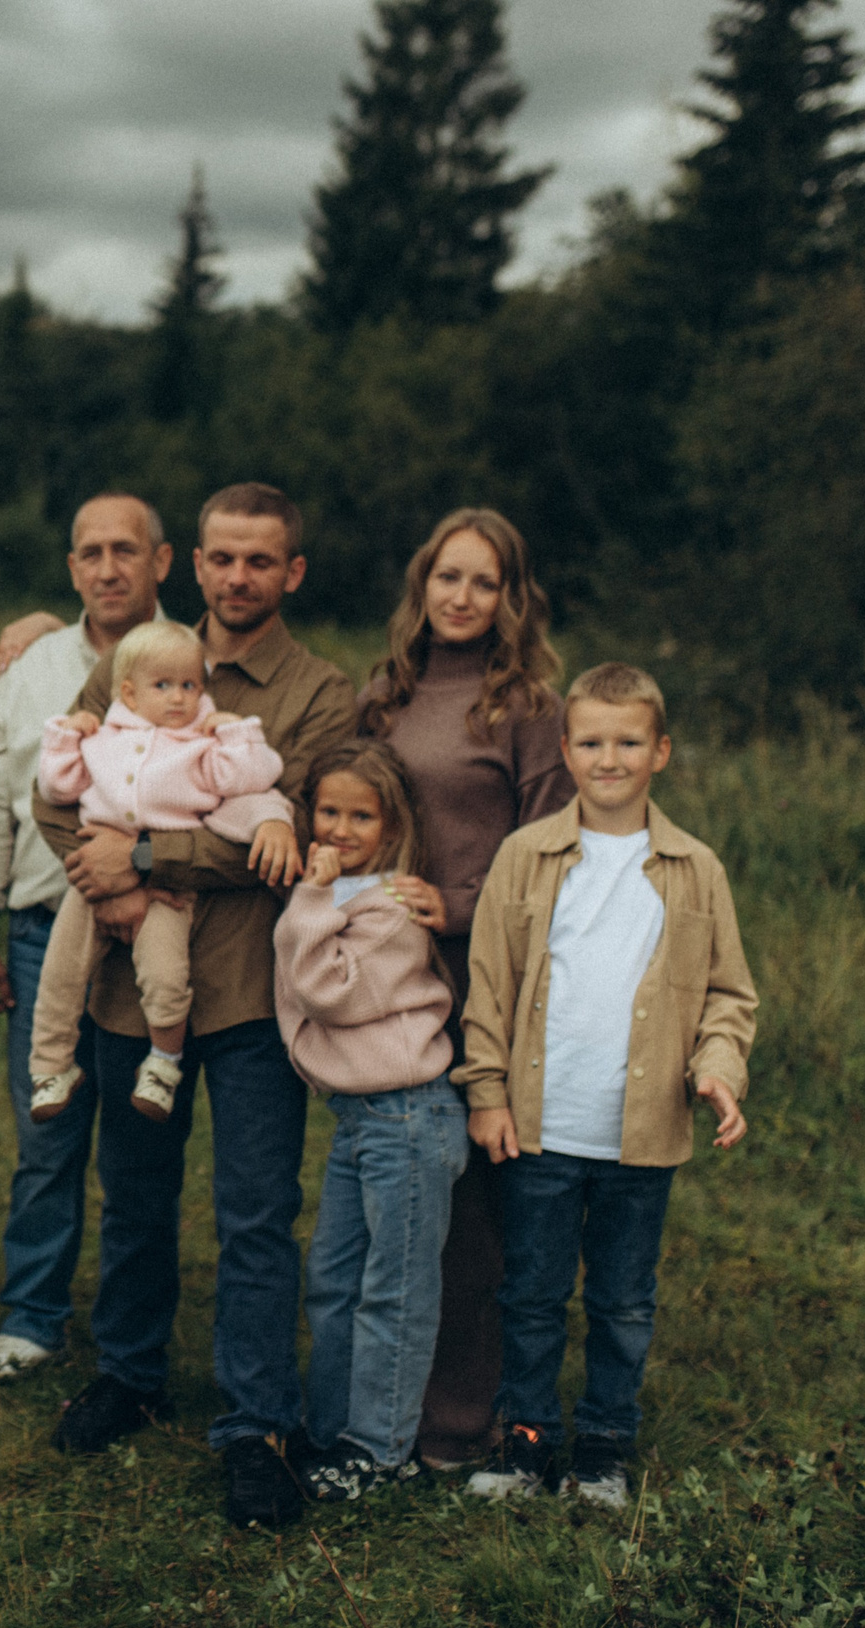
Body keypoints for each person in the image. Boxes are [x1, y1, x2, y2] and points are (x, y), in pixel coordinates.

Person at [39, 482, 355, 1533]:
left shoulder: (318, 693)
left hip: (256, 990)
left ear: (290, 572)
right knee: (132, 1194)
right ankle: (129, 1372)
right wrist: (116, 883)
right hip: (137, 982)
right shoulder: (138, 656)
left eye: (258, 560)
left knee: (257, 1211)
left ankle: (255, 1422)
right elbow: (59, 794)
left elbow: (288, 836)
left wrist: (146, 847)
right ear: (196, 561)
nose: (236, 577)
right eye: (220, 557)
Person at [458, 664, 756, 1510]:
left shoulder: (696, 868)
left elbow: (729, 995)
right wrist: (487, 1090)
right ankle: (525, 1442)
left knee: (624, 1301)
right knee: (532, 1293)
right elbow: (490, 982)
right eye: (591, 741)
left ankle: (603, 1447)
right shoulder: (527, 856)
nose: (610, 757)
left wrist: (716, 1070)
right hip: (542, 1128)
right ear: (565, 750)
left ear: (660, 750)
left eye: (629, 741)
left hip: (643, 1134)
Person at [355, 508, 573, 1471]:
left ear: (510, 598)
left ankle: (462, 1417)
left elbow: (549, 856)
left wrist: (453, 906)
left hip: (481, 975)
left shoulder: (525, 706)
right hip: (391, 981)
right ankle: (384, 1408)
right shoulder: (388, 691)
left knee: (477, 1211)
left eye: (484, 582)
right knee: (398, 1202)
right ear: (423, 581)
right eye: (449, 576)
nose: (462, 596)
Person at [0, 493, 170, 1383]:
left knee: (142, 1144)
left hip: (161, 932)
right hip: (46, 932)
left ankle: (133, 1332)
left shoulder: (190, 658)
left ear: (162, 560)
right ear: (71, 565)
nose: (108, 566)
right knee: (47, 1130)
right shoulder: (30, 668)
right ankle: (33, 1314)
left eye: (127, 549)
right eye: (91, 551)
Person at [272, 741, 463, 1502]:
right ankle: (332, 1429)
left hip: (408, 1116)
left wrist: (312, 896)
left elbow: (325, 987)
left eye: (362, 814)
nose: (342, 828)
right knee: (333, 1278)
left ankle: (380, 1451)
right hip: (360, 1119)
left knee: (395, 1287)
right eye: (329, 811)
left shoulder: (389, 905)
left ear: (391, 825)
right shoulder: (341, 893)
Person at [28, 618, 299, 1123]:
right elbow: (56, 789)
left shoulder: (202, 749)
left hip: (172, 888)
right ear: (129, 693)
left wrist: (236, 732)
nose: (179, 698)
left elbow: (256, 782)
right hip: (92, 887)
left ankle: (164, 1062)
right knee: (61, 971)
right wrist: (66, 736)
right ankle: (50, 1065)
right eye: (163, 686)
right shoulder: (103, 738)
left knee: (165, 974)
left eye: (191, 685)